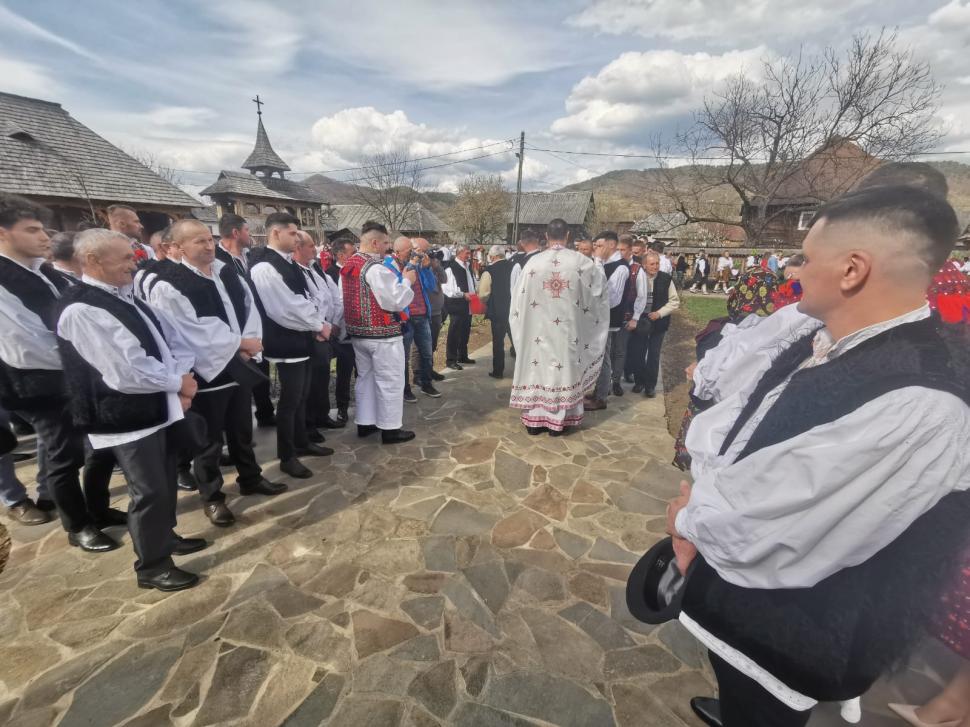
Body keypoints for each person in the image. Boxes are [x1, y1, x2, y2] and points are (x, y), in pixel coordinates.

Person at [666, 185, 970, 727]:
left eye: (806, 258)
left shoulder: (921, 402)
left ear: (852, 269)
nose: (794, 271)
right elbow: (746, 424)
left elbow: (777, 518)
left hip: (799, 628)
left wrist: (690, 519)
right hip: (746, 597)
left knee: (765, 712)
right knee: (741, 696)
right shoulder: (828, 335)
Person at [57, 228, 209, 591]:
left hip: (158, 405)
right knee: (149, 490)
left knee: (166, 480)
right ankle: (153, 565)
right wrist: (178, 384)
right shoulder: (82, 309)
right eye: (125, 256)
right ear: (93, 261)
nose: (134, 261)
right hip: (124, 416)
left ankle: (165, 537)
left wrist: (182, 380)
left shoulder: (127, 298)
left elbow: (169, 343)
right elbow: (127, 371)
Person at [0, 195, 125, 548]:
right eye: (32, 230)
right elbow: (24, 341)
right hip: (42, 382)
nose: (44, 237)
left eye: (43, 229)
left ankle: (99, 509)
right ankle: (77, 524)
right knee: (63, 456)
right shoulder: (3, 279)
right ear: (3, 234)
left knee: (99, 448)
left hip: (80, 375)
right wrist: (88, 358)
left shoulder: (49, 273)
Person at [147, 219, 285, 527]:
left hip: (239, 363)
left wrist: (249, 344)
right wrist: (239, 343)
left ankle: (250, 477)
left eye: (209, 239)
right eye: (198, 241)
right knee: (208, 440)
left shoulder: (225, 271)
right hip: (206, 369)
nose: (208, 245)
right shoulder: (169, 284)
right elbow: (188, 330)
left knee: (241, 429)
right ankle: (212, 496)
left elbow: (248, 308)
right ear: (177, 247)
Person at [249, 212, 334, 480]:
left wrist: (317, 323)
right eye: (293, 233)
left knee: (302, 397)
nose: (297, 238)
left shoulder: (289, 264)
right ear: (276, 233)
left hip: (302, 339)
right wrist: (318, 325)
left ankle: (302, 441)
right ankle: (287, 455)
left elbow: (308, 297)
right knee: (289, 401)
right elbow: (283, 308)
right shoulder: (265, 267)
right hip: (285, 342)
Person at [509, 218, 609, 435]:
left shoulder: (533, 264)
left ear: (546, 236)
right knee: (563, 372)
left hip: (537, 333)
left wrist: (521, 329)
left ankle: (534, 422)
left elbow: (517, 301)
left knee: (538, 370)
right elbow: (599, 293)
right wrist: (599, 263)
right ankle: (558, 423)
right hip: (567, 334)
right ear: (568, 236)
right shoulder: (581, 263)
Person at [340, 221, 416, 444]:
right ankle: (390, 428)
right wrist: (407, 282)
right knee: (390, 380)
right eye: (384, 242)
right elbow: (393, 300)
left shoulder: (350, 263)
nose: (387, 247)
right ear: (374, 242)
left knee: (365, 378)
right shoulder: (376, 268)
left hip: (358, 333)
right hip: (382, 335)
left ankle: (365, 422)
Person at [293, 231, 345, 430]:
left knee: (323, 376)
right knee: (313, 380)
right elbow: (307, 303)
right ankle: (311, 420)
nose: (315, 249)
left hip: (328, 328)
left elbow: (332, 295)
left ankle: (322, 414)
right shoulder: (295, 271)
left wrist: (334, 322)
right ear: (298, 248)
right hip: (313, 332)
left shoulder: (314, 269)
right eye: (310, 245)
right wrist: (320, 326)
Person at [385, 236, 440, 400]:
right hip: (405, 318)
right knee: (403, 356)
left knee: (427, 353)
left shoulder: (418, 265)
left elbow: (432, 286)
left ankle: (426, 383)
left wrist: (426, 268)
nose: (414, 254)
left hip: (422, 315)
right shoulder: (389, 266)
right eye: (411, 251)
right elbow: (398, 288)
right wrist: (412, 264)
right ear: (398, 251)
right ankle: (405, 389)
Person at [587, 230, 629, 409]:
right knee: (599, 355)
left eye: (599, 246)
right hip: (600, 319)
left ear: (611, 245)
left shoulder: (620, 267)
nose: (596, 250)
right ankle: (599, 390)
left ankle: (602, 396)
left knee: (604, 357)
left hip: (609, 320)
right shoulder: (605, 264)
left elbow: (612, 299)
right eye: (595, 246)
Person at [321, 238, 357, 423]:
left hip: (358, 329)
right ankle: (342, 408)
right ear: (341, 254)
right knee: (344, 372)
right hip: (340, 332)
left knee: (363, 372)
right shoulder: (330, 274)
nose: (355, 255)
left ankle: (364, 406)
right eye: (352, 252)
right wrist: (335, 324)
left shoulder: (357, 270)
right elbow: (333, 303)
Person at [413, 237, 446, 383]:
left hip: (437, 311)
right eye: (425, 251)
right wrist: (426, 267)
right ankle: (418, 375)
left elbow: (444, 279)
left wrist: (436, 265)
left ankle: (429, 369)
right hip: (424, 311)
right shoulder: (416, 266)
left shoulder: (432, 265)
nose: (428, 254)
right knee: (419, 346)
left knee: (431, 344)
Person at [478, 245, 513, 379]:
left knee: (498, 342)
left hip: (497, 311)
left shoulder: (489, 270)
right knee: (516, 339)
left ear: (492, 257)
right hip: (513, 309)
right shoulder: (513, 267)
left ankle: (498, 371)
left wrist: (487, 301)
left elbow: (483, 293)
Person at [442, 245, 477, 371]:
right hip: (456, 305)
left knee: (465, 331)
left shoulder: (467, 266)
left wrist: (475, 291)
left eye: (470, 253)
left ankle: (462, 355)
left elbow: (471, 281)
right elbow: (447, 288)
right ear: (459, 253)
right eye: (467, 253)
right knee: (454, 332)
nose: (469, 255)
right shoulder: (451, 268)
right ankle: (451, 359)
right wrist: (463, 294)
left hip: (468, 304)